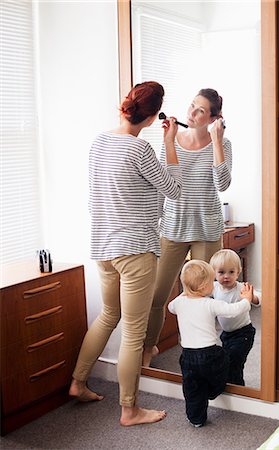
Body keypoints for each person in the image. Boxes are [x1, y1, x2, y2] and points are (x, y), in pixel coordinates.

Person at [69, 81, 182, 426]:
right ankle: (130, 410)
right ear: (150, 119)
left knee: (108, 315)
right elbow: (174, 189)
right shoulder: (140, 150)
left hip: (103, 246)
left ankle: (77, 382)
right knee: (134, 331)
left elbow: (94, 196)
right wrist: (169, 142)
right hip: (134, 250)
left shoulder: (99, 142)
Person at [143, 88, 232, 366]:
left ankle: (203, 354)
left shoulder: (223, 144)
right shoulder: (172, 140)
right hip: (173, 228)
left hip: (206, 229)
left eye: (200, 111)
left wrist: (217, 141)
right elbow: (164, 187)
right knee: (157, 294)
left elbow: (223, 185)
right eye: (191, 106)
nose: (191, 114)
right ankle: (148, 348)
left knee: (203, 299)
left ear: (214, 118)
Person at [168, 259, 252, 427]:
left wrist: (184, 292)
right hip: (210, 354)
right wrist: (246, 299)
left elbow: (170, 307)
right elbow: (233, 310)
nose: (214, 285)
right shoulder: (210, 303)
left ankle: (196, 419)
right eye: (211, 282)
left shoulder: (178, 302)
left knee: (191, 389)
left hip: (187, 356)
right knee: (224, 364)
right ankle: (214, 391)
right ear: (203, 287)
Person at [210, 249, 261, 386]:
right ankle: (230, 384)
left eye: (231, 272)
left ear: (238, 272)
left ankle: (238, 389)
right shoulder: (214, 287)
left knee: (235, 362)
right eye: (221, 272)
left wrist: (251, 297)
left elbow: (259, 298)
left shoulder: (241, 288)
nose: (226, 276)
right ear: (214, 273)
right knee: (227, 361)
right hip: (226, 334)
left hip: (243, 333)